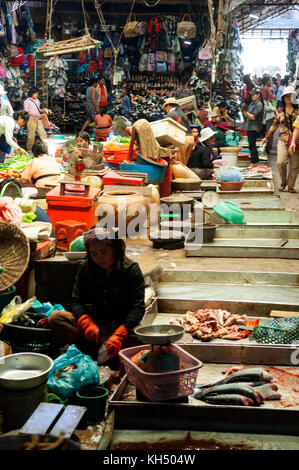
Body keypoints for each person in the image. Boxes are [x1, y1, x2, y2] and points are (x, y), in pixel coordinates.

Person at [48, 227, 145, 363]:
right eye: (94, 254)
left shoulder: (131, 269)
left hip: (120, 325)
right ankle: (89, 350)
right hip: (95, 324)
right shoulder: (86, 268)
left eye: (104, 252)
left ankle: (97, 352)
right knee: (56, 318)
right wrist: (85, 321)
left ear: (115, 249)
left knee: (141, 343)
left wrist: (120, 333)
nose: (99, 258)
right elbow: (77, 300)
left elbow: (138, 308)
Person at [262, 86, 299, 193]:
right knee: (280, 162)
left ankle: (291, 186)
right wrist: (267, 137)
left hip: (296, 140)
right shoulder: (279, 110)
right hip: (283, 139)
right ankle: (283, 182)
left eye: (290, 96)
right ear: (283, 98)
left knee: (294, 165)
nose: (288, 98)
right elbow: (274, 125)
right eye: (286, 96)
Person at [162, 97, 193, 165]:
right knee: (185, 163)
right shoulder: (182, 113)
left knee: (180, 163)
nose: (166, 110)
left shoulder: (171, 114)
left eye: (166, 107)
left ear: (169, 105)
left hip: (182, 140)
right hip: (190, 138)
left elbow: (165, 127)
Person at [242, 88, 264, 168]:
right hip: (250, 126)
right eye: (251, 95)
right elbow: (248, 115)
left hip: (254, 127)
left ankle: (253, 163)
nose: (252, 96)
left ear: (258, 95)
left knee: (252, 145)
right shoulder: (253, 103)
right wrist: (243, 112)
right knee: (251, 145)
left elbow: (253, 117)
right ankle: (255, 162)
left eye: (253, 95)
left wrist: (245, 112)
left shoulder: (259, 104)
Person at [23, 87, 48, 152]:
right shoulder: (27, 101)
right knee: (31, 135)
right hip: (31, 119)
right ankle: (29, 149)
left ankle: (46, 147)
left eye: (37, 94)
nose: (37, 95)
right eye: (35, 94)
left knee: (43, 133)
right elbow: (26, 112)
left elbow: (38, 109)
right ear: (31, 94)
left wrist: (43, 110)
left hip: (38, 119)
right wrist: (35, 115)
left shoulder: (37, 100)